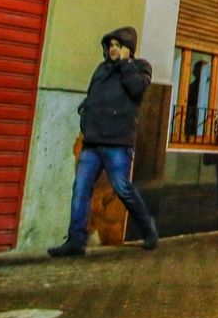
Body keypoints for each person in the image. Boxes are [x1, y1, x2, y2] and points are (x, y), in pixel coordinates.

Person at [48, 27, 160, 257]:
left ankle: (148, 228)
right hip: (93, 141)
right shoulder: (102, 69)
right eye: (110, 46)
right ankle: (76, 240)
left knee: (122, 188)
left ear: (128, 49)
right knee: (81, 189)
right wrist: (85, 116)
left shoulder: (139, 67)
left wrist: (125, 64)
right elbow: (92, 95)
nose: (112, 50)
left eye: (117, 46)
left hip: (117, 142)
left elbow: (137, 89)